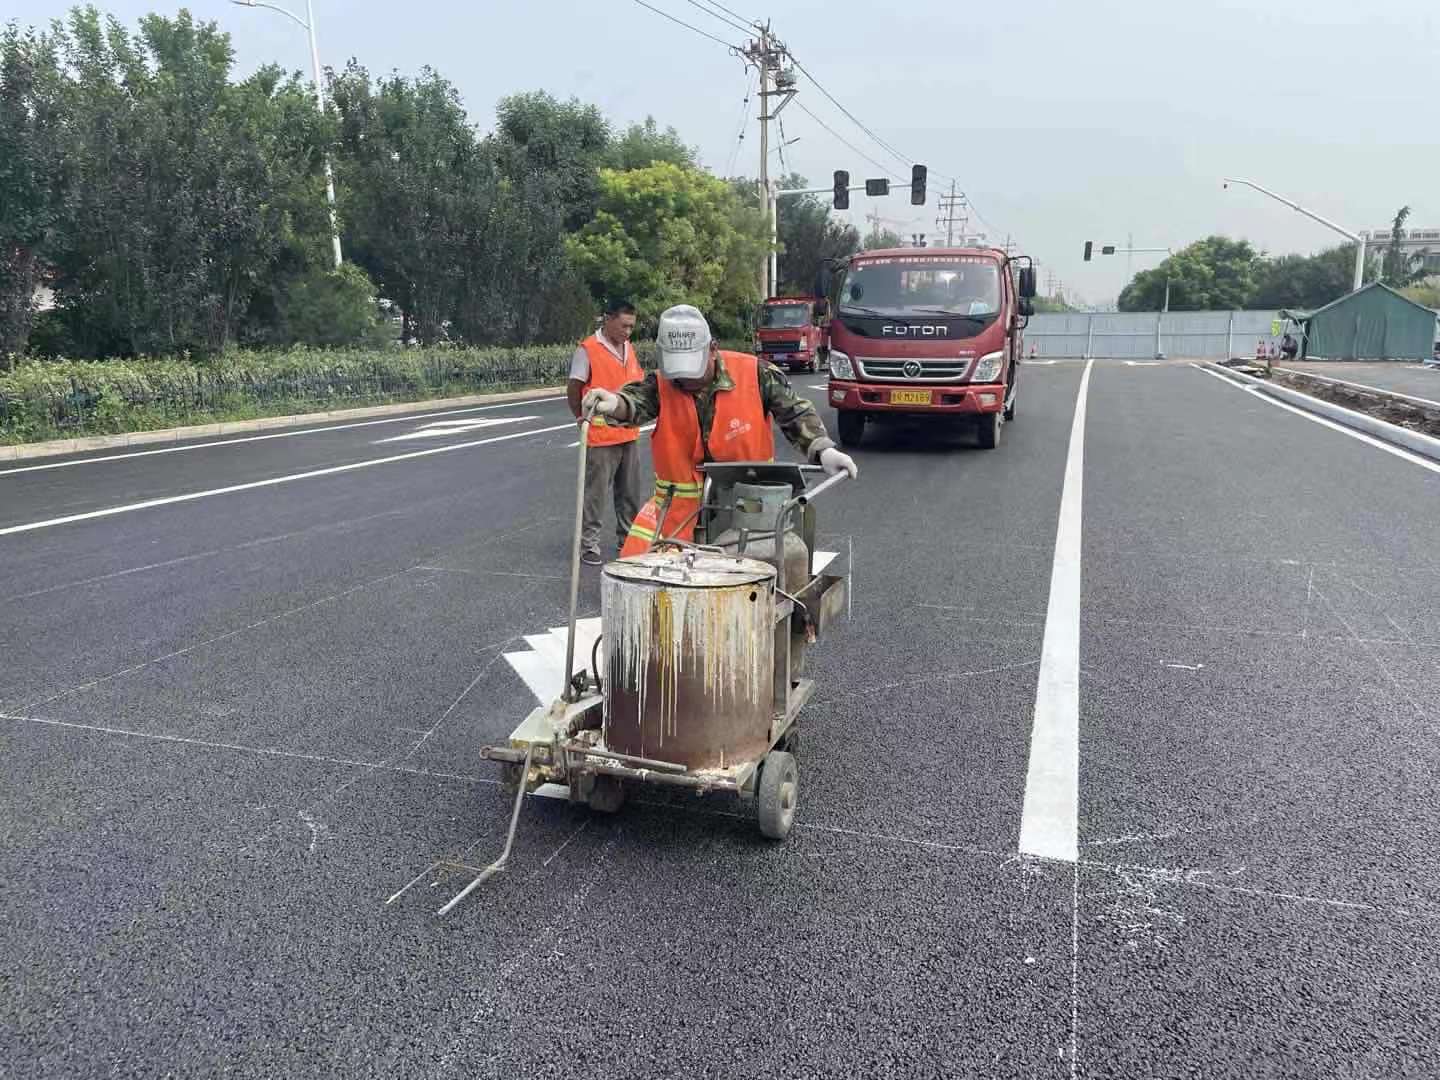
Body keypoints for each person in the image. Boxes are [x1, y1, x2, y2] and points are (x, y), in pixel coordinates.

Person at [582, 304, 858, 558]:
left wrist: (823, 450)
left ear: (712, 349)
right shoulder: (662, 384)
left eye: (693, 369)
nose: (685, 380)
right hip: (679, 525)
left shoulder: (756, 373)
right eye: (678, 372)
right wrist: (614, 403)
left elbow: (794, 412)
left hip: (747, 515)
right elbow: (634, 402)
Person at [568, 300, 644, 565]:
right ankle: (589, 544)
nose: (628, 332)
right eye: (624, 326)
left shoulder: (629, 348)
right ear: (608, 320)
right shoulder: (588, 349)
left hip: (628, 433)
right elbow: (574, 387)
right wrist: (581, 417)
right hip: (601, 437)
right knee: (595, 494)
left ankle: (627, 540)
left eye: (631, 327)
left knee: (630, 493)